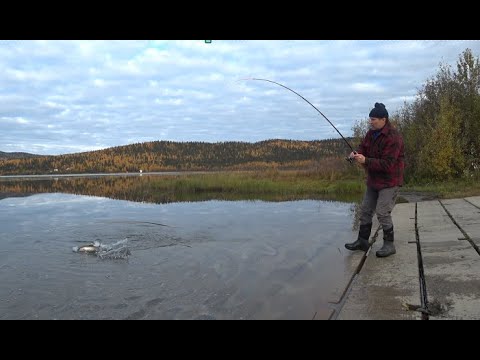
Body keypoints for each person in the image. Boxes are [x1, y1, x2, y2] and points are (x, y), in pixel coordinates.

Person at [345, 102, 405, 257]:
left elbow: (388, 164)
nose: (370, 121)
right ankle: (362, 242)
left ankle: (389, 245)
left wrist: (366, 161)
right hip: (374, 180)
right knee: (365, 210)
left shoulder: (394, 137)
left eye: (373, 119)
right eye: (370, 119)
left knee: (382, 212)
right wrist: (356, 154)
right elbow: (363, 148)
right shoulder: (371, 133)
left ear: (383, 119)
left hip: (390, 181)